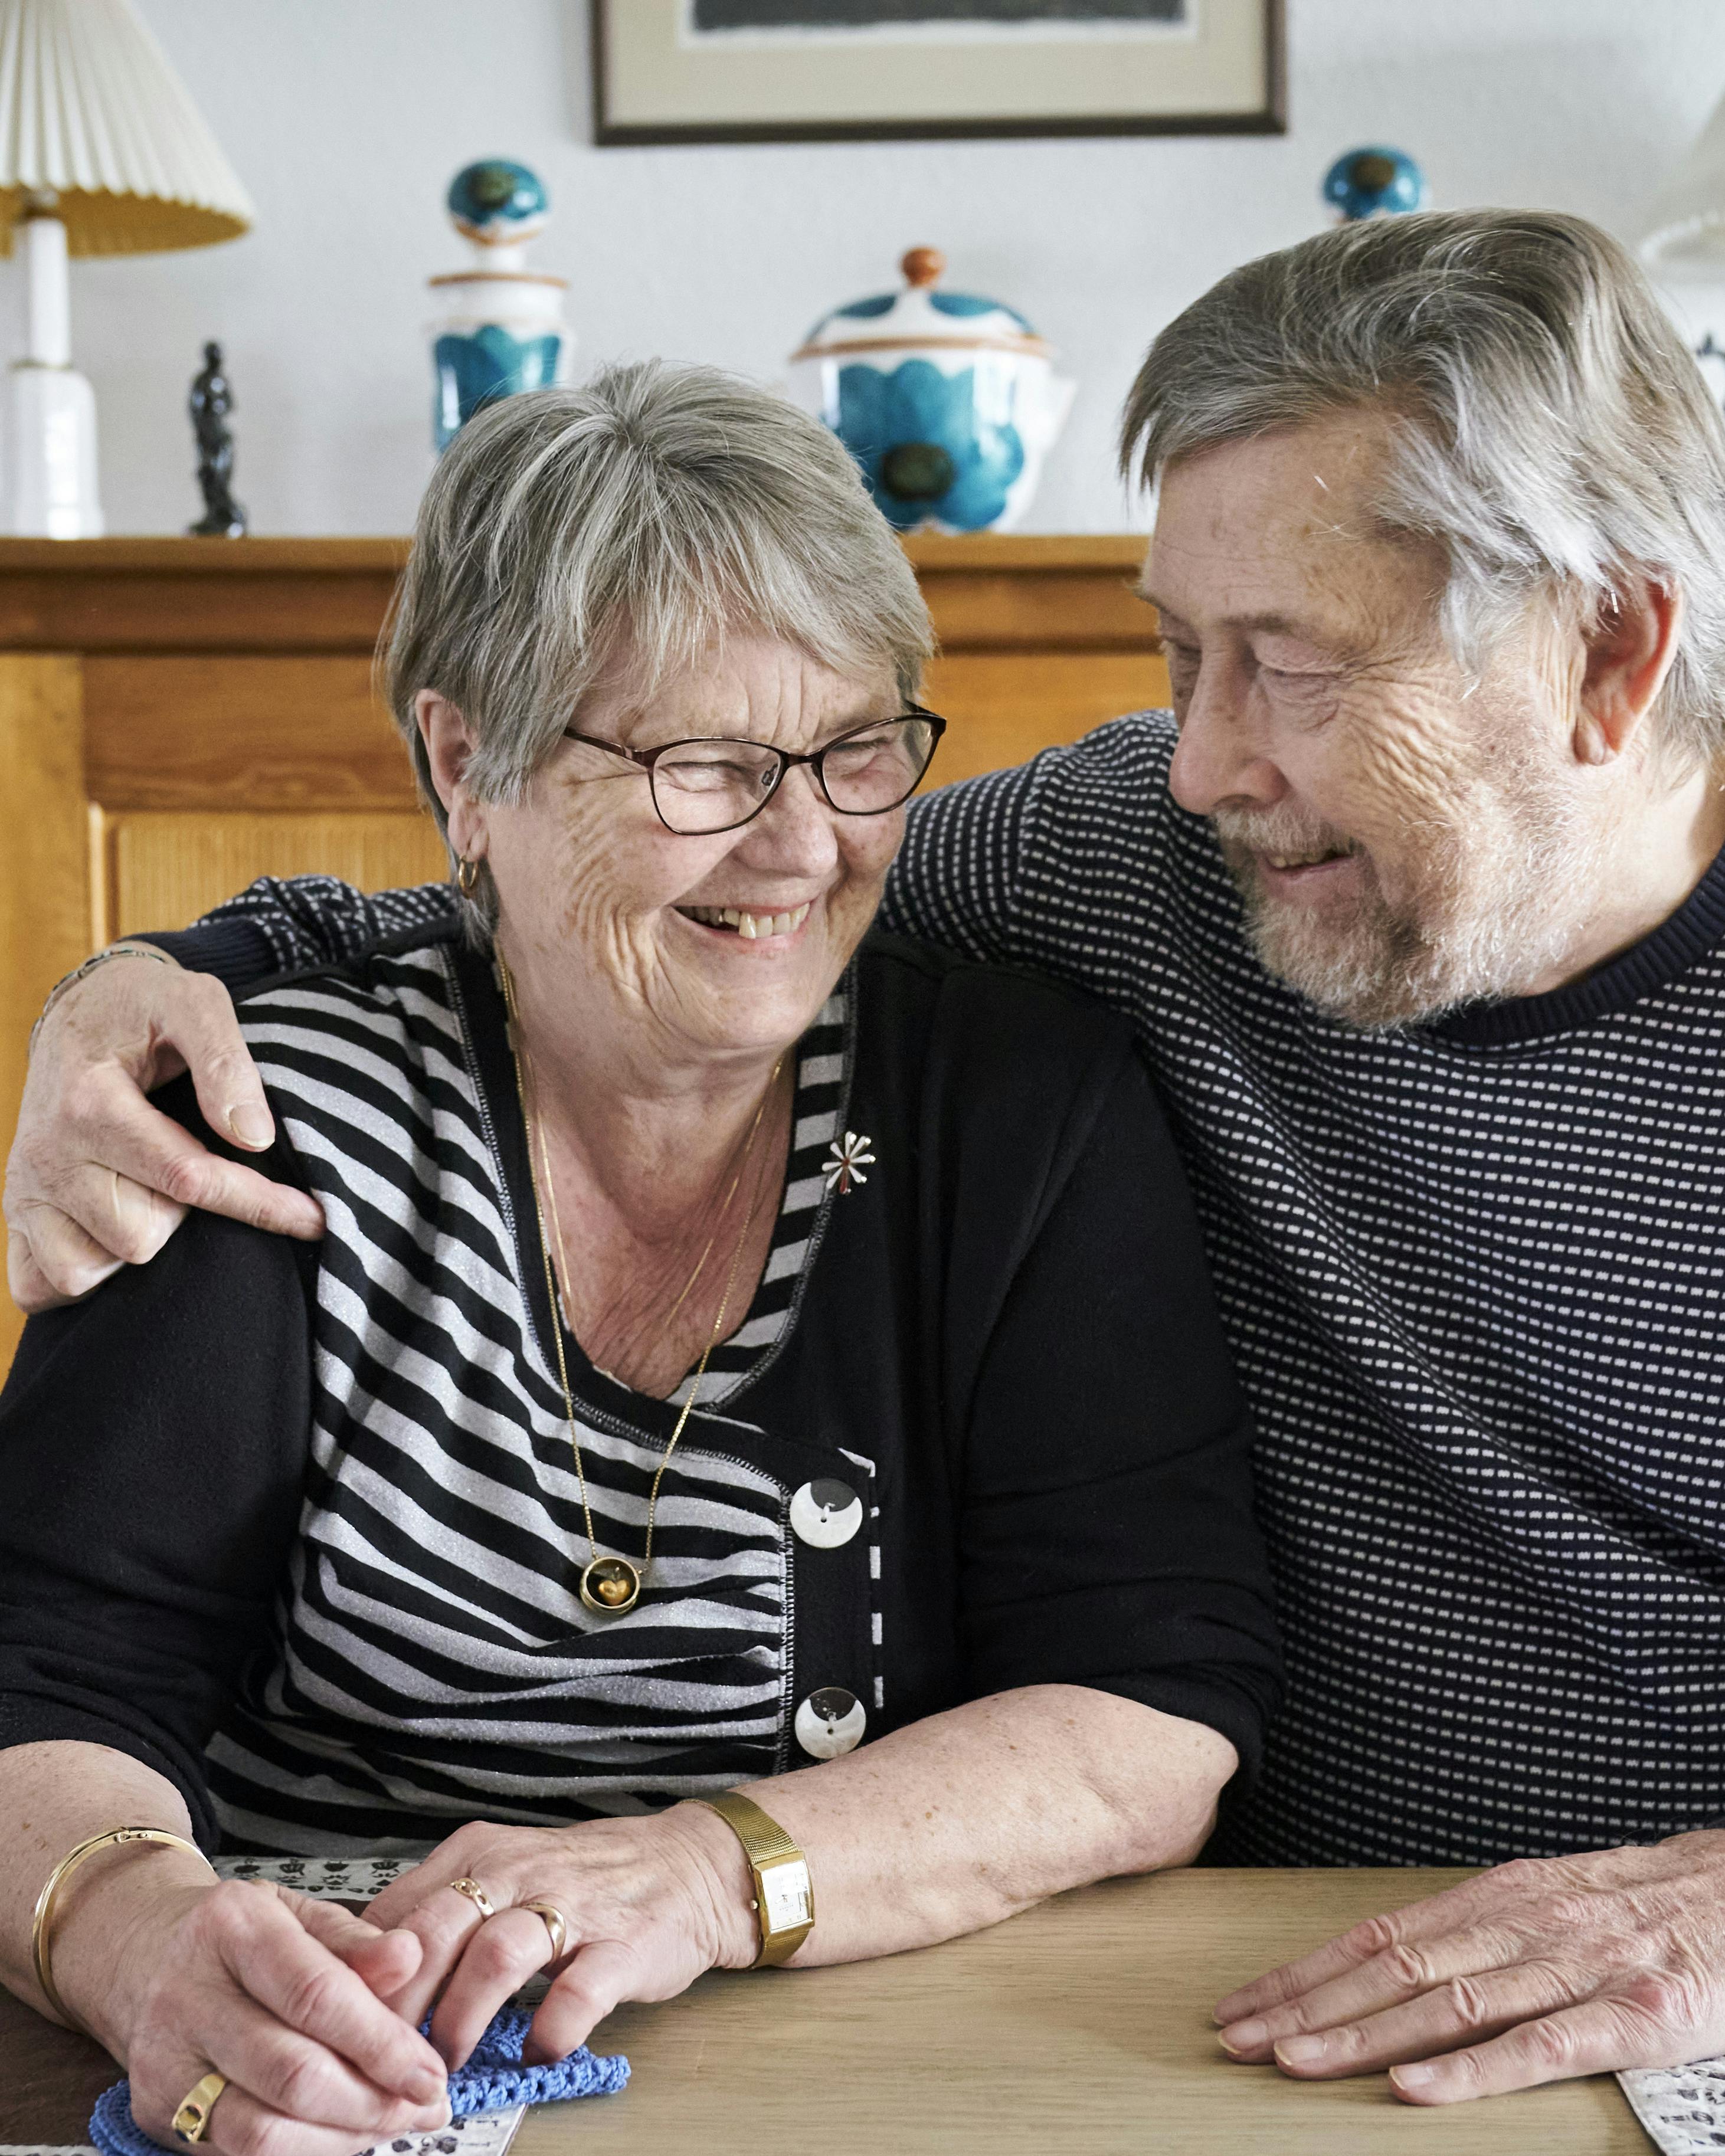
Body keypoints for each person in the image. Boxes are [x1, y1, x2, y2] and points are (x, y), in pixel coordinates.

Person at [19, 208, 1725, 2109]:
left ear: (1608, 651)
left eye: (1292, 666)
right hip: (1262, 1983)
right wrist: (150, 978)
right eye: (1179, 656)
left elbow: (1148, 1687)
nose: (1196, 763)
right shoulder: (1158, 860)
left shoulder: (1062, 1021)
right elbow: (581, 900)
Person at [0, 365, 1279, 2155]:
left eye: (851, 751)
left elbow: (1154, 1701)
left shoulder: (1013, 1109)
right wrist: (135, 1940)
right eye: (700, 764)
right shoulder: (251, 1112)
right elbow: (42, 1669)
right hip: (317, 2049)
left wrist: (705, 1874)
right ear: (468, 765)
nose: (802, 843)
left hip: (866, 2036)